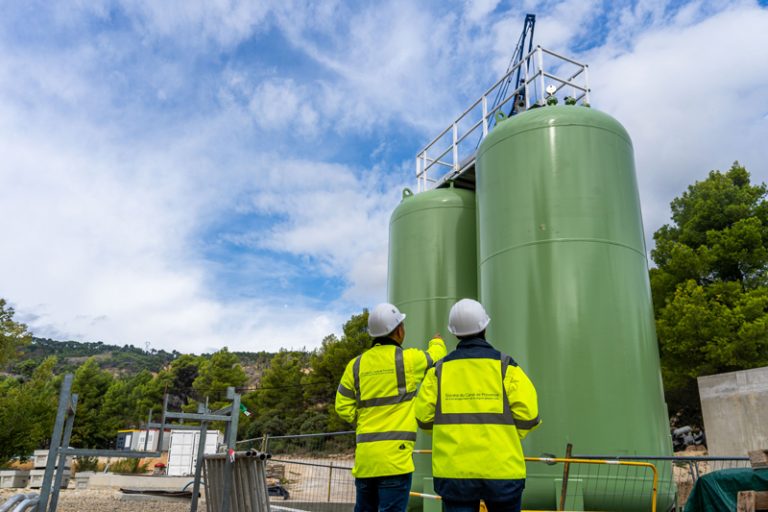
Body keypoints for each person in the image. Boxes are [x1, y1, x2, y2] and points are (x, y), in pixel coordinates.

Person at [414, 298, 540, 512]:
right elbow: (529, 417)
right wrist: (503, 437)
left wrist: (450, 433)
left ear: (454, 332)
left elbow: (423, 419)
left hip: (454, 473)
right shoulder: (505, 366)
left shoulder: (439, 371)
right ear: (485, 326)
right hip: (503, 470)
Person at [336, 303, 447, 512]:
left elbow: (342, 406)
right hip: (395, 461)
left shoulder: (356, 365)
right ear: (399, 331)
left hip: (366, 461)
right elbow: (436, 357)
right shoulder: (408, 360)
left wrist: (362, 420)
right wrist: (437, 342)